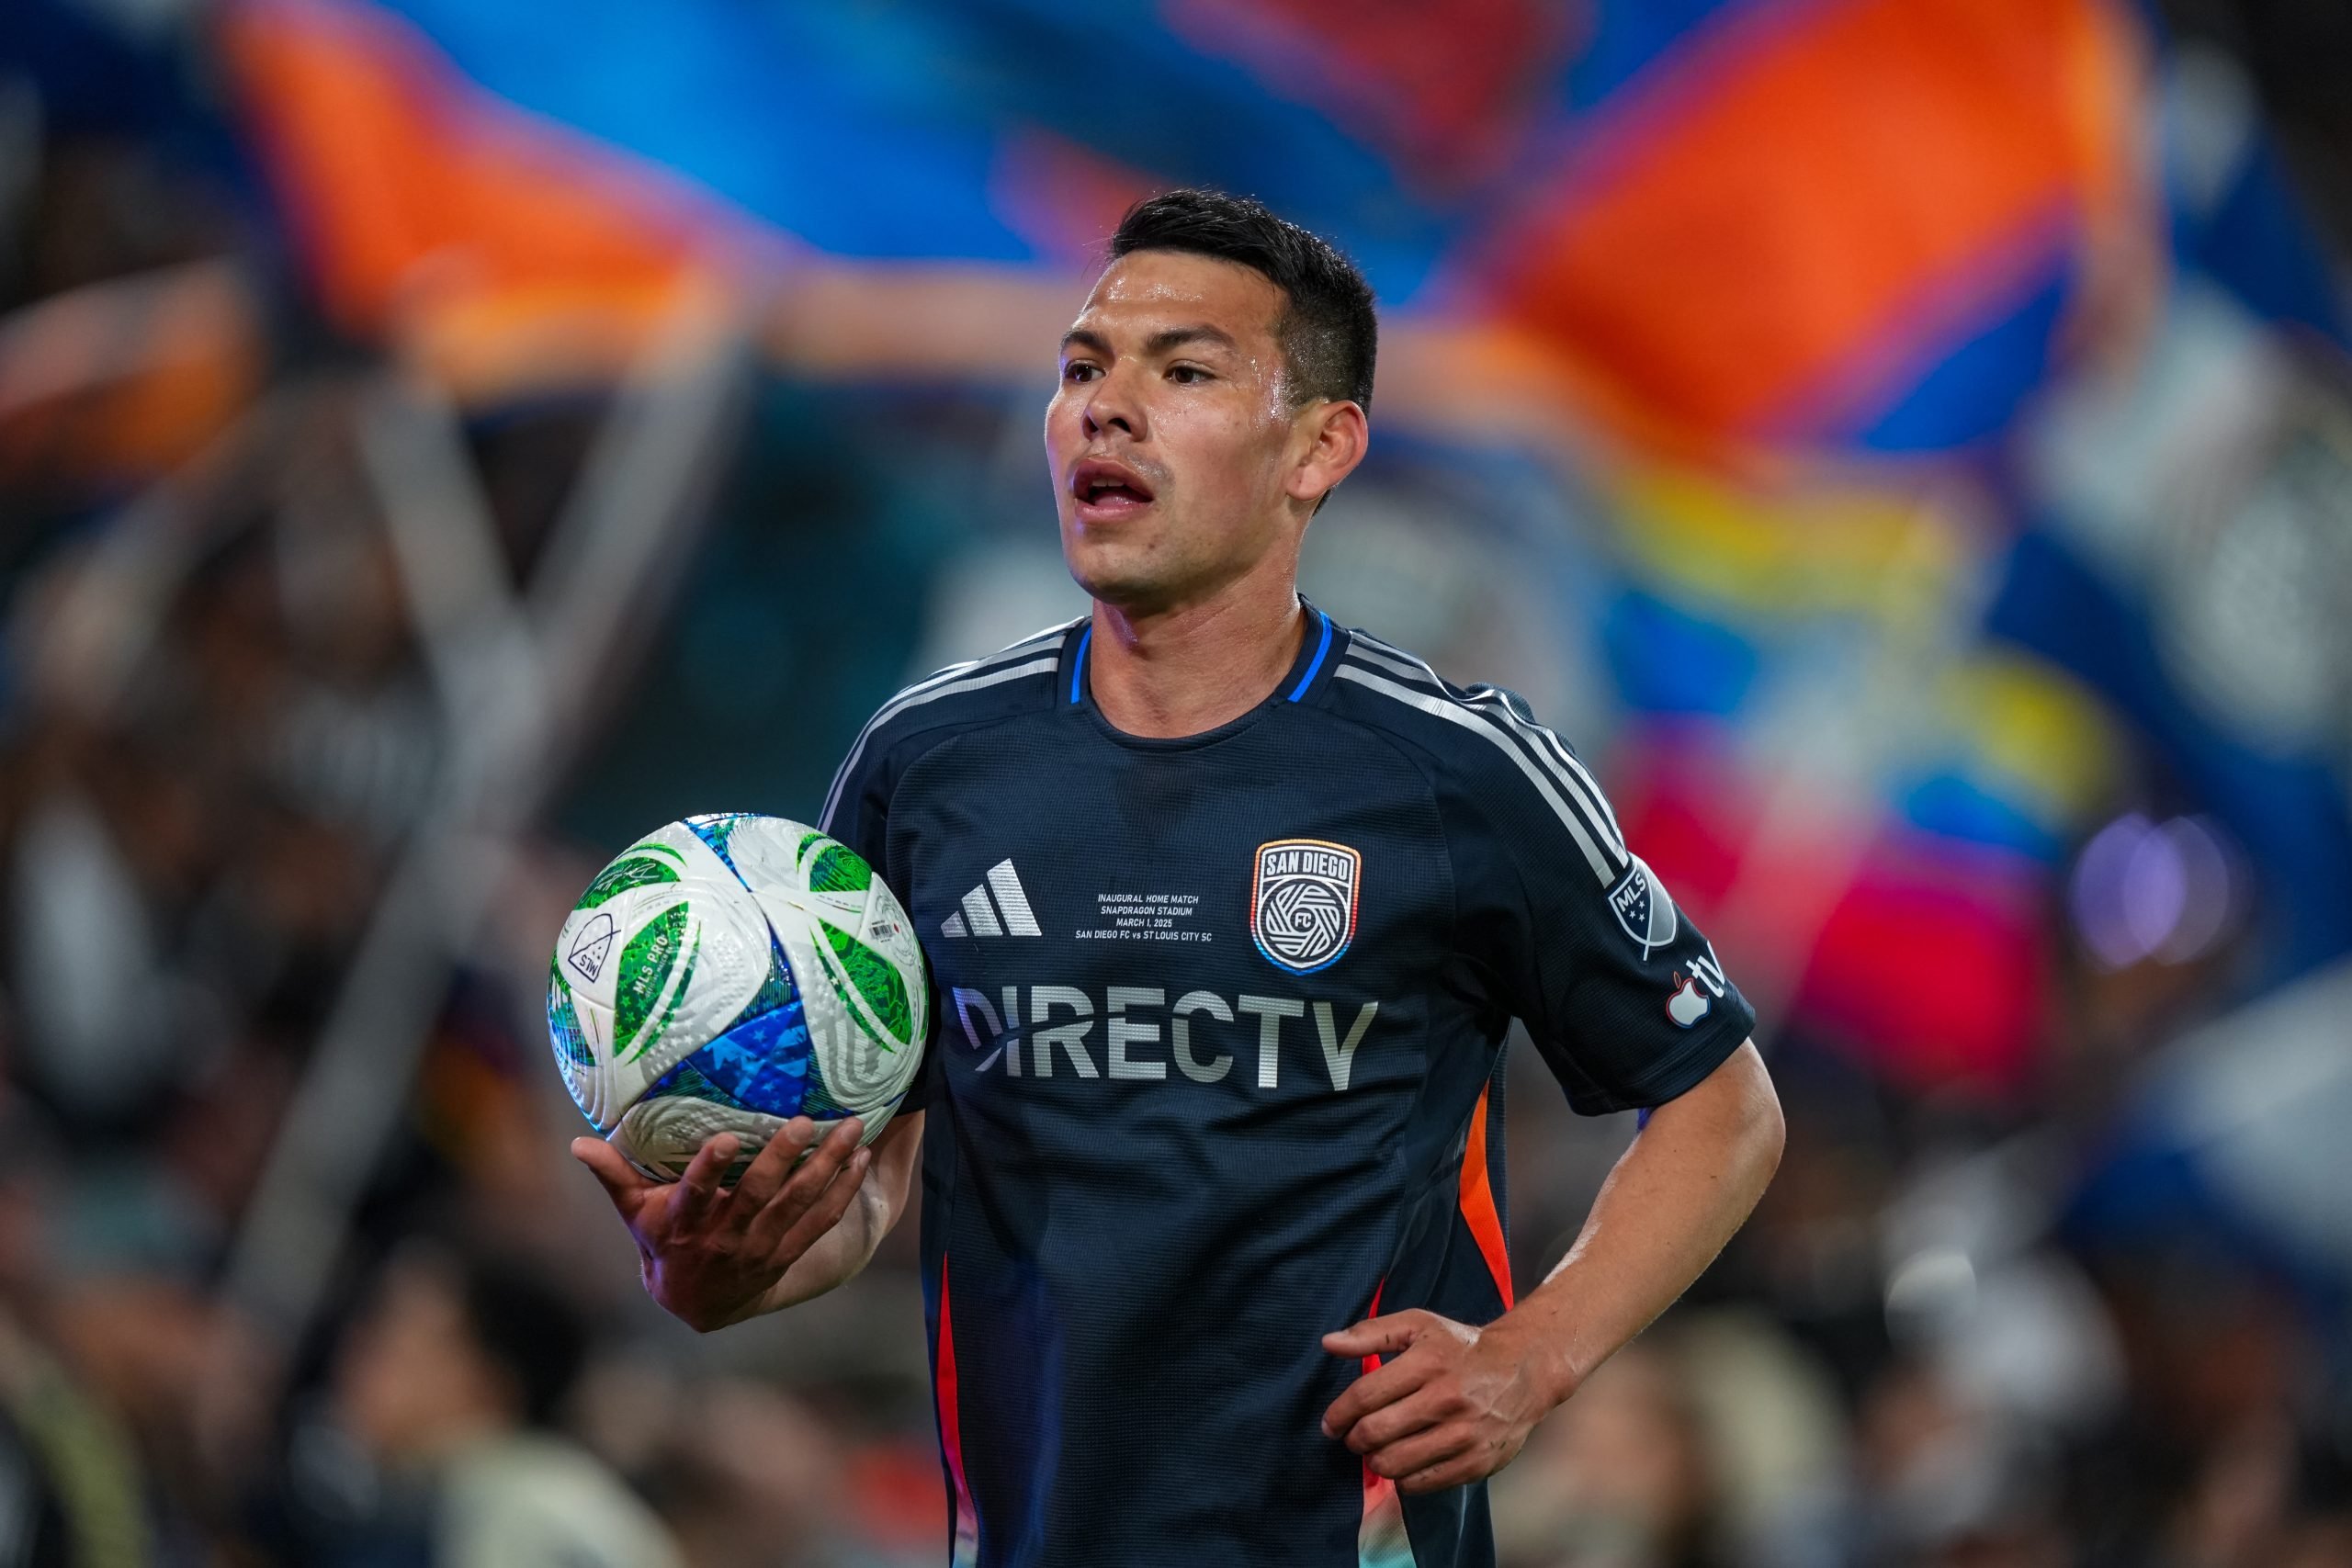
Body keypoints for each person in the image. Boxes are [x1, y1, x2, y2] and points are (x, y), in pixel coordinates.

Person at [573, 189, 1784, 1568]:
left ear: (1318, 448)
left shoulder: (1461, 774)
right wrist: (724, 1270)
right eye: (1083, 367)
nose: (1105, 406)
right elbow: (874, 1184)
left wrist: (1534, 1356)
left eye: (1185, 371)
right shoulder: (927, 766)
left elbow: (1721, 1105)